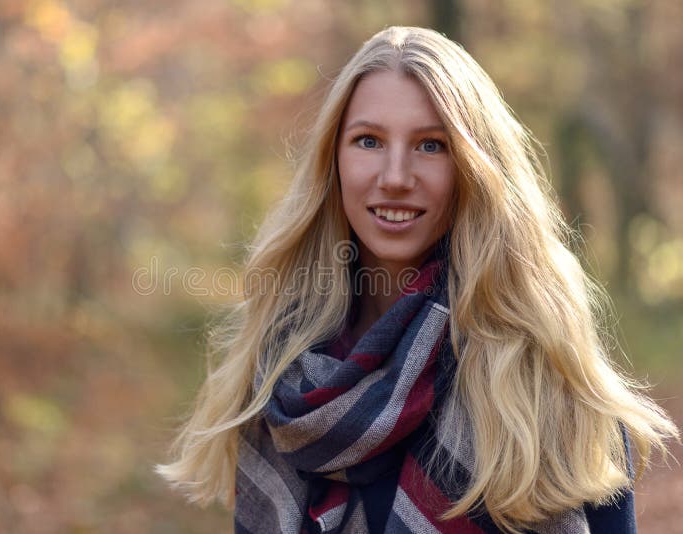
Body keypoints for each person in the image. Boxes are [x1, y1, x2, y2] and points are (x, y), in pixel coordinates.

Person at [157, 26, 678, 533]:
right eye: (368, 141)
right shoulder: (281, 378)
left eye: (432, 146)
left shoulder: (545, 379)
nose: (396, 176)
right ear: (333, 162)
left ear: (476, 168)